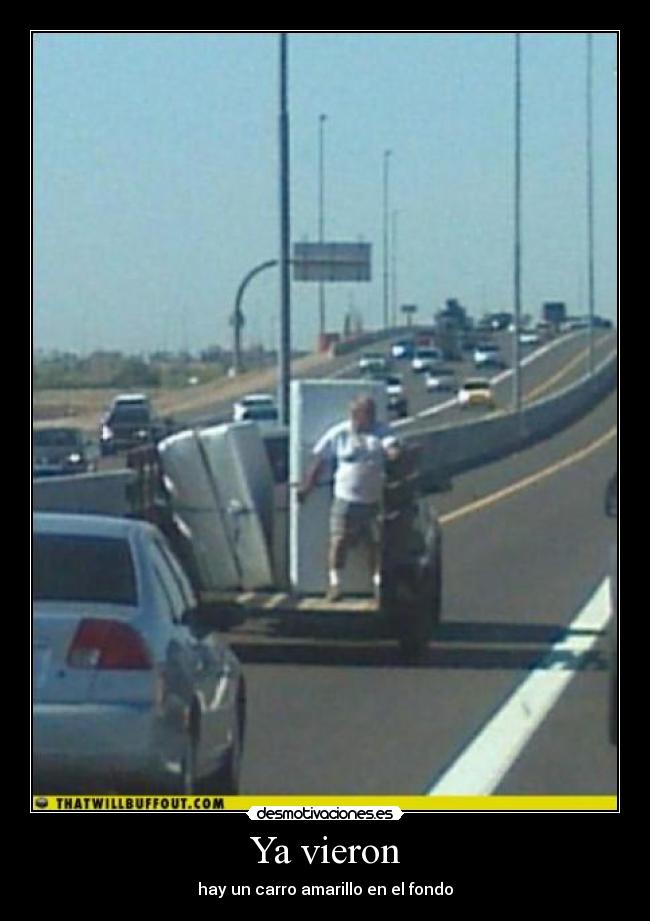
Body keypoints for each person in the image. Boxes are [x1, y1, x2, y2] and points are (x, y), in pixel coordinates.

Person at [297, 395, 400, 601]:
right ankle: (335, 584)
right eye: (362, 414)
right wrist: (307, 487)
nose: (366, 418)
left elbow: (392, 447)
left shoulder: (381, 432)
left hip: (372, 500)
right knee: (339, 540)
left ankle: (378, 583)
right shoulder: (339, 434)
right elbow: (320, 460)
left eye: (370, 413)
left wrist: (393, 453)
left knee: (374, 543)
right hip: (345, 499)